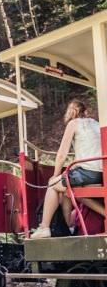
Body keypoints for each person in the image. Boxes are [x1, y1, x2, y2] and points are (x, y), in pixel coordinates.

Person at [31, 98, 104, 239]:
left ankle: (44, 227)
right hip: (101, 173)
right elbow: (93, 151)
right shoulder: (97, 124)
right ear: (86, 112)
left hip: (88, 173)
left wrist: (55, 175)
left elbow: (62, 154)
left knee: (53, 185)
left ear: (72, 113)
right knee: (69, 191)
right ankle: (69, 226)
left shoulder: (73, 124)